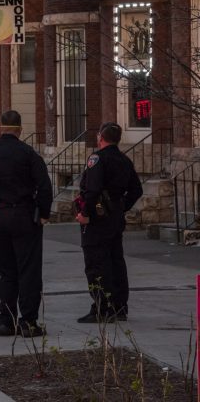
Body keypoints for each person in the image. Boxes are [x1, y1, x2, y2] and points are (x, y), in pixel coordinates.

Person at [0, 110, 52, 338]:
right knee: (28, 270)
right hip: (23, 214)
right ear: (19, 130)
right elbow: (44, 186)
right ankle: (28, 321)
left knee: (7, 271)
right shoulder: (28, 153)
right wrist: (44, 213)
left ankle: (6, 320)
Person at [75, 121, 142, 323]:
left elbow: (93, 190)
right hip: (114, 217)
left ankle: (102, 307)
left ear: (100, 138)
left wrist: (85, 213)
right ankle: (119, 306)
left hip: (97, 217)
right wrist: (120, 207)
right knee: (115, 261)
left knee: (96, 263)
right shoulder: (124, 160)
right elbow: (136, 190)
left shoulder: (97, 159)